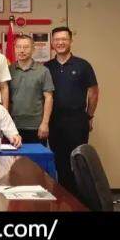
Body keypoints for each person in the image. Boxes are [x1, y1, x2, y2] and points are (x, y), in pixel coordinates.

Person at [44, 26, 99, 195]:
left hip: (77, 121)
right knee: (59, 162)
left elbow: (93, 92)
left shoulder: (83, 65)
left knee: (78, 162)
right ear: (52, 43)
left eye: (64, 39)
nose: (60, 42)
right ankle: (64, 198)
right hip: (54, 121)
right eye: (57, 39)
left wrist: (89, 116)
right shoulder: (47, 67)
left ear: (71, 41)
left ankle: (79, 200)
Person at [8, 34, 54, 145]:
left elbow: (49, 98)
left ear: (33, 49)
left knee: (36, 157)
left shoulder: (43, 71)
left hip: (36, 127)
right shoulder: (8, 70)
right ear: (14, 49)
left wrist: (45, 123)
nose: (22, 50)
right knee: (14, 156)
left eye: (26, 47)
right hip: (12, 126)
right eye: (18, 47)